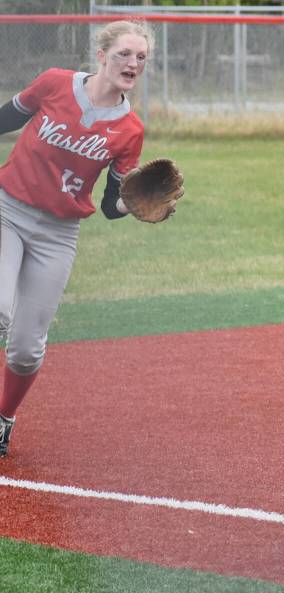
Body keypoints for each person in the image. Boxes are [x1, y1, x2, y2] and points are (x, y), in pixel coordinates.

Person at [0, 20, 164, 457]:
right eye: (125, 54)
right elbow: (7, 117)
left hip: (58, 234)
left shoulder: (130, 129)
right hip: (7, 211)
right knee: (0, 310)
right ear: (102, 55)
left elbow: (112, 204)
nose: (133, 64)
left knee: (26, 352)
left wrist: (137, 204)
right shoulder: (54, 84)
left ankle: (3, 418)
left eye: (141, 57)